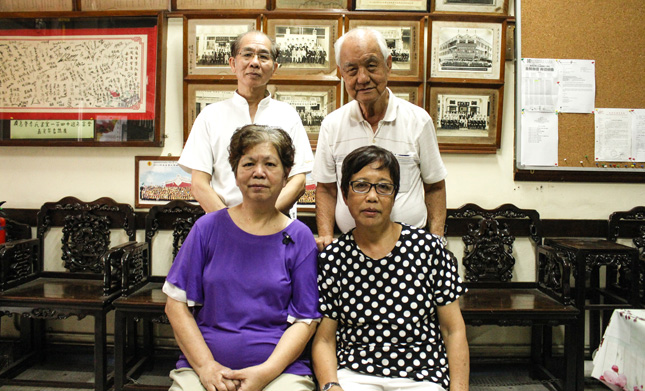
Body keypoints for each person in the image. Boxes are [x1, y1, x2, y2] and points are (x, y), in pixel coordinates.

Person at [164, 124, 321, 391]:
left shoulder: (300, 236)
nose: (259, 173)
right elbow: (175, 305)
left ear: (285, 176)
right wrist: (206, 367)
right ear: (236, 173)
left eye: (270, 164)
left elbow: (306, 321)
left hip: (279, 373)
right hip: (204, 368)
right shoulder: (207, 228)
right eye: (249, 163)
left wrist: (264, 373)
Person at [312, 145, 469, 391]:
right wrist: (331, 386)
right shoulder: (334, 258)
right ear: (345, 195)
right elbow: (324, 338)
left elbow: (453, 330)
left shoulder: (429, 250)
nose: (372, 197)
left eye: (383, 187)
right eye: (361, 185)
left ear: (394, 195)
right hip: (355, 373)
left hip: (422, 374)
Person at [312, 28, 447, 250]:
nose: (362, 78)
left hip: (411, 250)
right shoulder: (332, 124)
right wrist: (326, 237)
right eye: (352, 70)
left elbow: (435, 185)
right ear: (341, 74)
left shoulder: (418, 120)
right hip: (351, 250)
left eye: (371, 66)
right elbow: (326, 188)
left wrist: (436, 240)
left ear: (388, 64)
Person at [179, 30, 314, 217]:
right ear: (233, 63)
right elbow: (199, 184)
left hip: (276, 225)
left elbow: (298, 181)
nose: (255, 62)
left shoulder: (288, 115)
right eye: (248, 54)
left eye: (263, 56)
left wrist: (263, 220)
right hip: (224, 225)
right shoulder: (210, 116)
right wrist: (232, 225)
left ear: (274, 68)